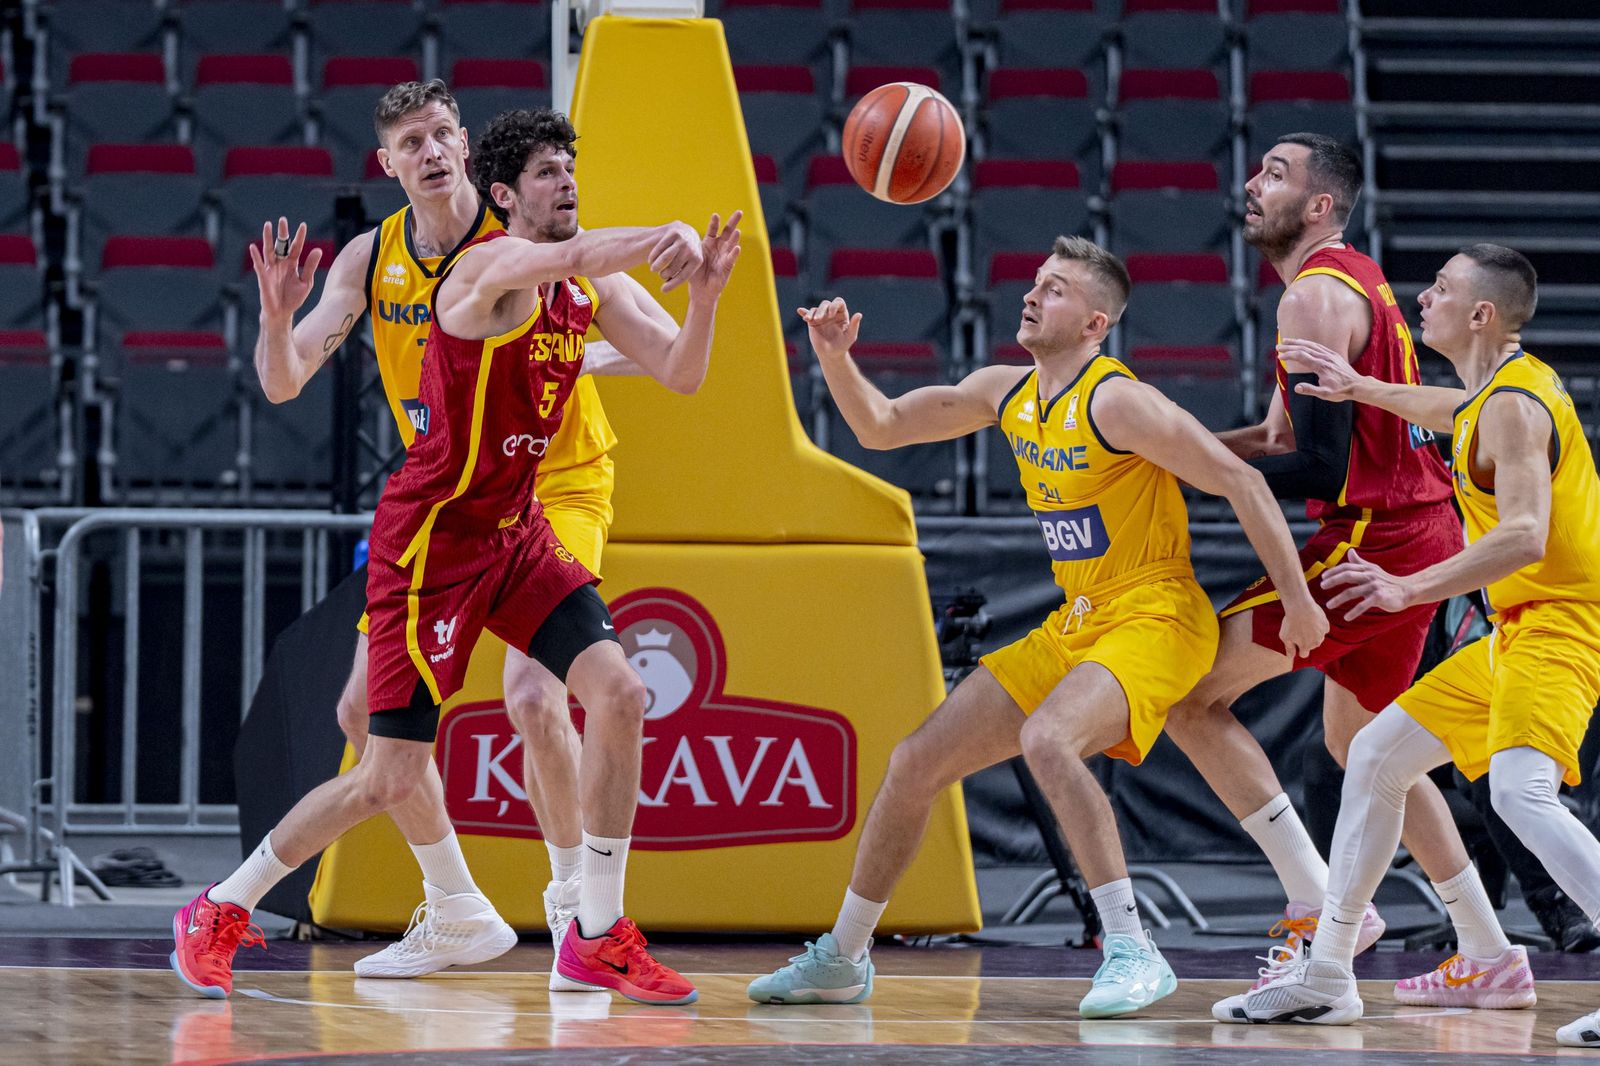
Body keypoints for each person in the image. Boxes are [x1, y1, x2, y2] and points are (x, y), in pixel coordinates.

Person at [171, 108, 741, 1006]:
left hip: (523, 520)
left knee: (618, 693)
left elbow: (681, 371)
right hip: (435, 539)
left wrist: (702, 293)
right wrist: (661, 234)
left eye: (571, 169)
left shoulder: (574, 275)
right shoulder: (482, 267)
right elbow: (569, 256)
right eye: (548, 172)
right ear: (500, 193)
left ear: (468, 151)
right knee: (383, 764)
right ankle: (221, 906)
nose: (568, 182)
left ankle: (592, 929)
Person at [746, 236, 1327, 1018]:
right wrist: (834, 358)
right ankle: (843, 958)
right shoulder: (1006, 391)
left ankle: (1133, 947)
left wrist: (1297, 600)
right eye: (1035, 281)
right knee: (915, 762)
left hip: (1156, 611)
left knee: (1048, 739)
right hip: (1078, 618)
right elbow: (881, 427)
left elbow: (1244, 483)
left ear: (1094, 324)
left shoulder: (1118, 402)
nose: (1030, 294)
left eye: (1054, 289)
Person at [1232, 244, 1600, 1049]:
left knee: (1520, 794)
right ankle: (1329, 974)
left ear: (1481, 314)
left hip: (1562, 624)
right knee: (1374, 755)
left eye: (1440, 287)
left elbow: (1526, 534)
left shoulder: (1513, 407)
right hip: (1514, 631)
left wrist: (1406, 588)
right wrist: (1361, 388)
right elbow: (1444, 409)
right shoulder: (1492, 394)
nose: (1422, 298)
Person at [1158, 134, 1484, 1003]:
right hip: (1418, 525)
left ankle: (1318, 903)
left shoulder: (1311, 296)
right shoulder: (1352, 277)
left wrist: (1193, 470)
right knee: (1368, 749)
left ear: (1320, 205)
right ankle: (1488, 948)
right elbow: (1278, 437)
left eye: (1275, 174)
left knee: (1189, 695)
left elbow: (1320, 468)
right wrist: (1161, 454)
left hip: (1374, 539)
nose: (1251, 184)